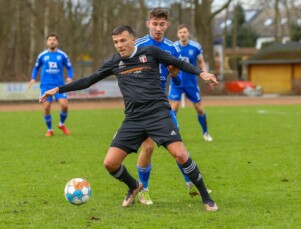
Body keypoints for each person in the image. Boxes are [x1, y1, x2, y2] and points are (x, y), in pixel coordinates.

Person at [39, 25, 219, 211]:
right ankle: (134, 186)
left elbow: (179, 63)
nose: (119, 45)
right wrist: (59, 89)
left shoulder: (150, 51)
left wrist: (202, 73)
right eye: (115, 42)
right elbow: (89, 80)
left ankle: (206, 198)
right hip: (134, 119)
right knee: (110, 163)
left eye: (123, 40)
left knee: (181, 154)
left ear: (133, 40)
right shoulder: (115, 62)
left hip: (158, 114)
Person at [134, 7, 183, 205]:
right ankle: (143, 190)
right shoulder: (137, 45)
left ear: (167, 25)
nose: (158, 28)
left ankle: (190, 183)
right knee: (148, 147)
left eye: (162, 24)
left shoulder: (173, 49)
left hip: (161, 105)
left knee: (179, 146)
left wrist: (174, 74)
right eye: (154, 24)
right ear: (148, 24)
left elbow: (179, 84)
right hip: (141, 105)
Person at [169, 24, 213, 142]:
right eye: (180, 32)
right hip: (176, 82)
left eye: (184, 32)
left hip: (191, 83)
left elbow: (201, 62)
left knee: (199, 108)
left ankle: (205, 132)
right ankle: (172, 136)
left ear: (188, 33)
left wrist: (205, 73)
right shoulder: (173, 47)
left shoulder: (195, 47)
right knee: (174, 107)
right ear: (178, 34)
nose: (182, 34)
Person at [28, 33, 74, 137]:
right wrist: (33, 78)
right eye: (50, 40)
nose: (52, 41)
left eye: (54, 39)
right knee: (46, 107)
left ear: (57, 42)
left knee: (64, 105)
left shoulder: (62, 55)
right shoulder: (42, 55)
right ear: (47, 42)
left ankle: (61, 124)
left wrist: (70, 77)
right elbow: (36, 68)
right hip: (46, 85)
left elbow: (70, 67)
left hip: (59, 85)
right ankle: (50, 130)